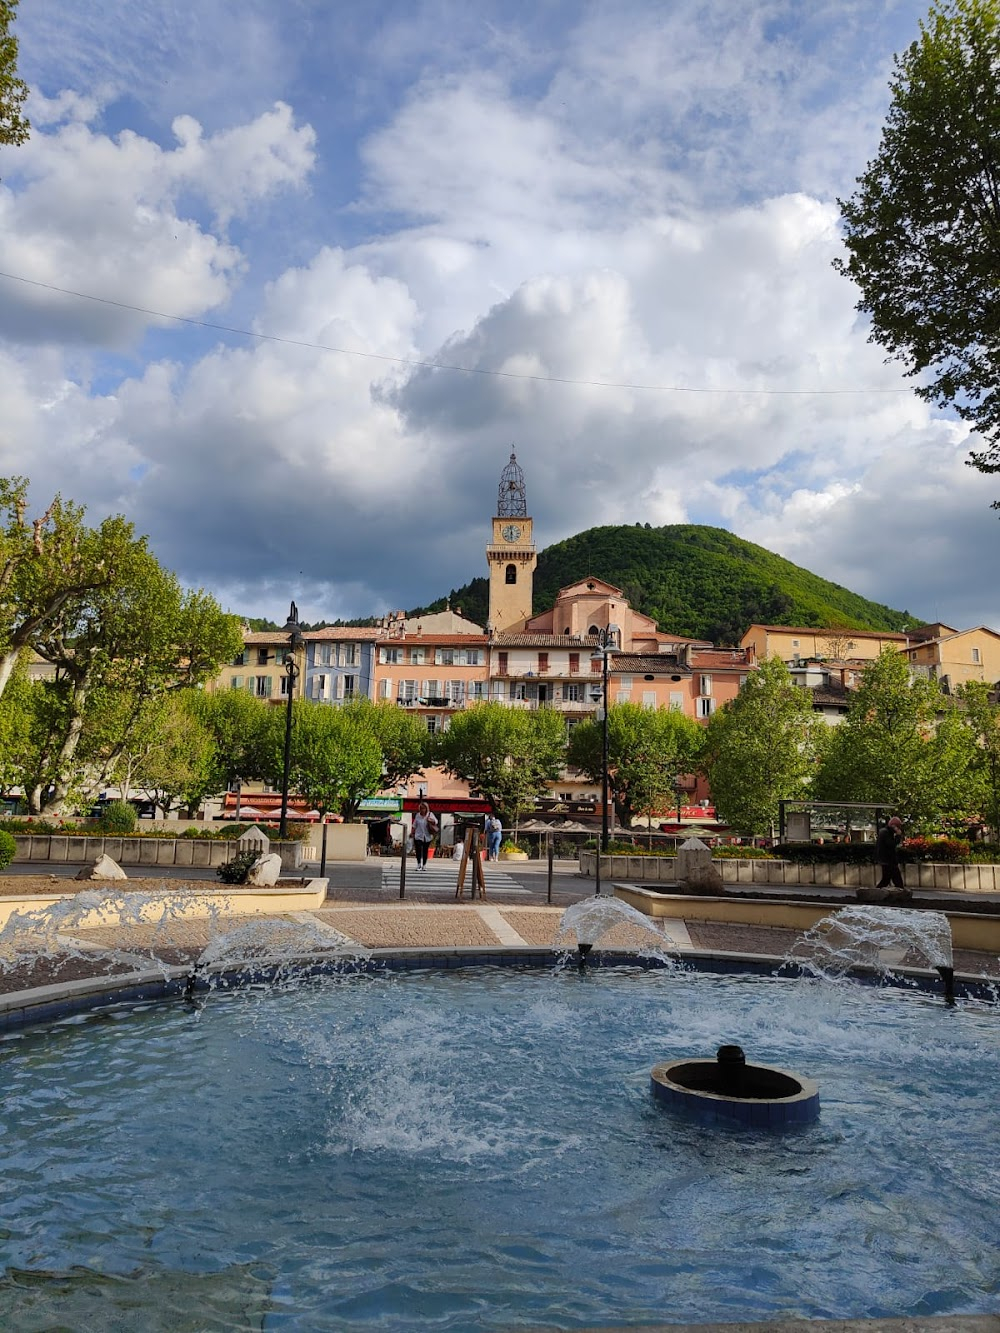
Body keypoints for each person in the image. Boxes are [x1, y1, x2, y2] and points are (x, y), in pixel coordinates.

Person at [875, 816, 905, 890]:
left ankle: (877, 892)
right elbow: (891, 844)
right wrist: (898, 836)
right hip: (888, 860)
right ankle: (901, 893)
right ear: (894, 826)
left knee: (886, 879)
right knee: (896, 878)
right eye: (897, 827)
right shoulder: (886, 833)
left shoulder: (884, 832)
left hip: (885, 860)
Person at [412, 801, 438, 871]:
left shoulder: (430, 814)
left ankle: (424, 865)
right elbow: (414, 825)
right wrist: (412, 833)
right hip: (418, 835)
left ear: (426, 809)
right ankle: (419, 864)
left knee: (425, 851)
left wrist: (430, 820)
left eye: (424, 808)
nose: (422, 810)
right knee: (418, 850)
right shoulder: (418, 815)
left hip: (427, 836)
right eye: (421, 808)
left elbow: (436, 821)